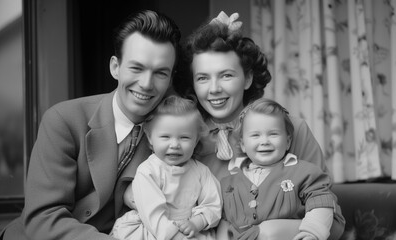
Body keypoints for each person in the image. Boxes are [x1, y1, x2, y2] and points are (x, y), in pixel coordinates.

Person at [125, 12, 345, 240]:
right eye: (202, 78)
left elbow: (335, 224)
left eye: (226, 75)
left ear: (248, 78)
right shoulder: (182, 137)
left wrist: (271, 232)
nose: (214, 89)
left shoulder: (291, 129)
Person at [0, 9, 181, 240]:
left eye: (160, 73)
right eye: (136, 68)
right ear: (115, 67)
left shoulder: (174, 133)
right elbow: (44, 216)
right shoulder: (63, 119)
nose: (146, 84)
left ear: (170, 79)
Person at [220, 98, 344, 240]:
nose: (264, 141)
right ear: (242, 144)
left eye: (273, 134)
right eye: (255, 135)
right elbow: (224, 223)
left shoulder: (305, 172)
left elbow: (321, 201)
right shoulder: (229, 182)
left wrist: (312, 232)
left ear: (288, 141)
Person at [110, 95, 222, 240]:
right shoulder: (148, 171)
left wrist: (197, 223)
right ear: (150, 138)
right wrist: (176, 236)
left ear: (196, 140)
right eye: (165, 137)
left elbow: (213, 204)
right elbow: (153, 214)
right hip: (152, 229)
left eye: (184, 137)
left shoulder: (201, 171)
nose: (174, 144)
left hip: (190, 227)